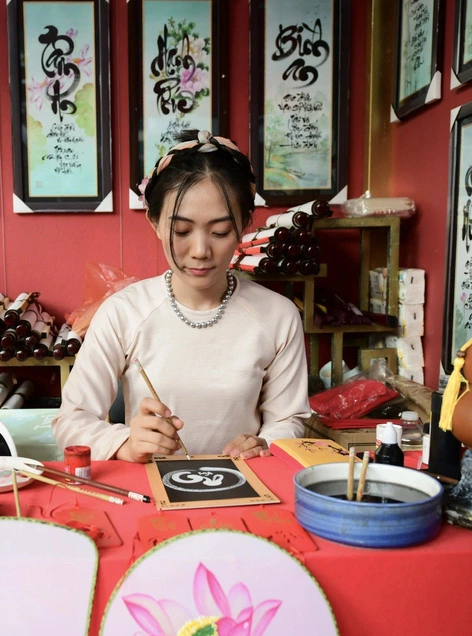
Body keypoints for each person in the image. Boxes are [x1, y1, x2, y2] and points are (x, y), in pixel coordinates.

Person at [53, 130, 311, 463]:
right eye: (182, 231)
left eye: (219, 232)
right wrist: (127, 443)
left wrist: (265, 444)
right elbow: (71, 420)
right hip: (151, 499)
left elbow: (290, 420)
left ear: (245, 224)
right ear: (155, 223)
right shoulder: (124, 313)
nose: (201, 250)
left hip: (246, 491)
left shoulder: (278, 316)